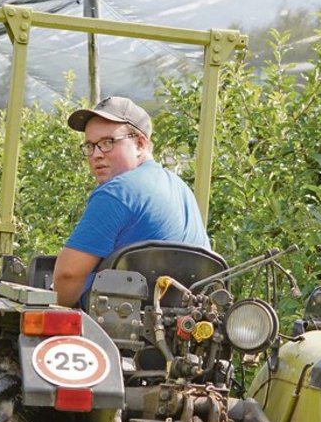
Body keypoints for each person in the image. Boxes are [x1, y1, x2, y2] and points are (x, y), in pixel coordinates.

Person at [52, 96, 210, 307]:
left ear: (140, 144)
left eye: (107, 143)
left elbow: (68, 275)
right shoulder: (181, 189)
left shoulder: (118, 192)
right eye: (90, 146)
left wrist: (54, 311)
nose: (96, 155)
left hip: (117, 326)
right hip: (185, 322)